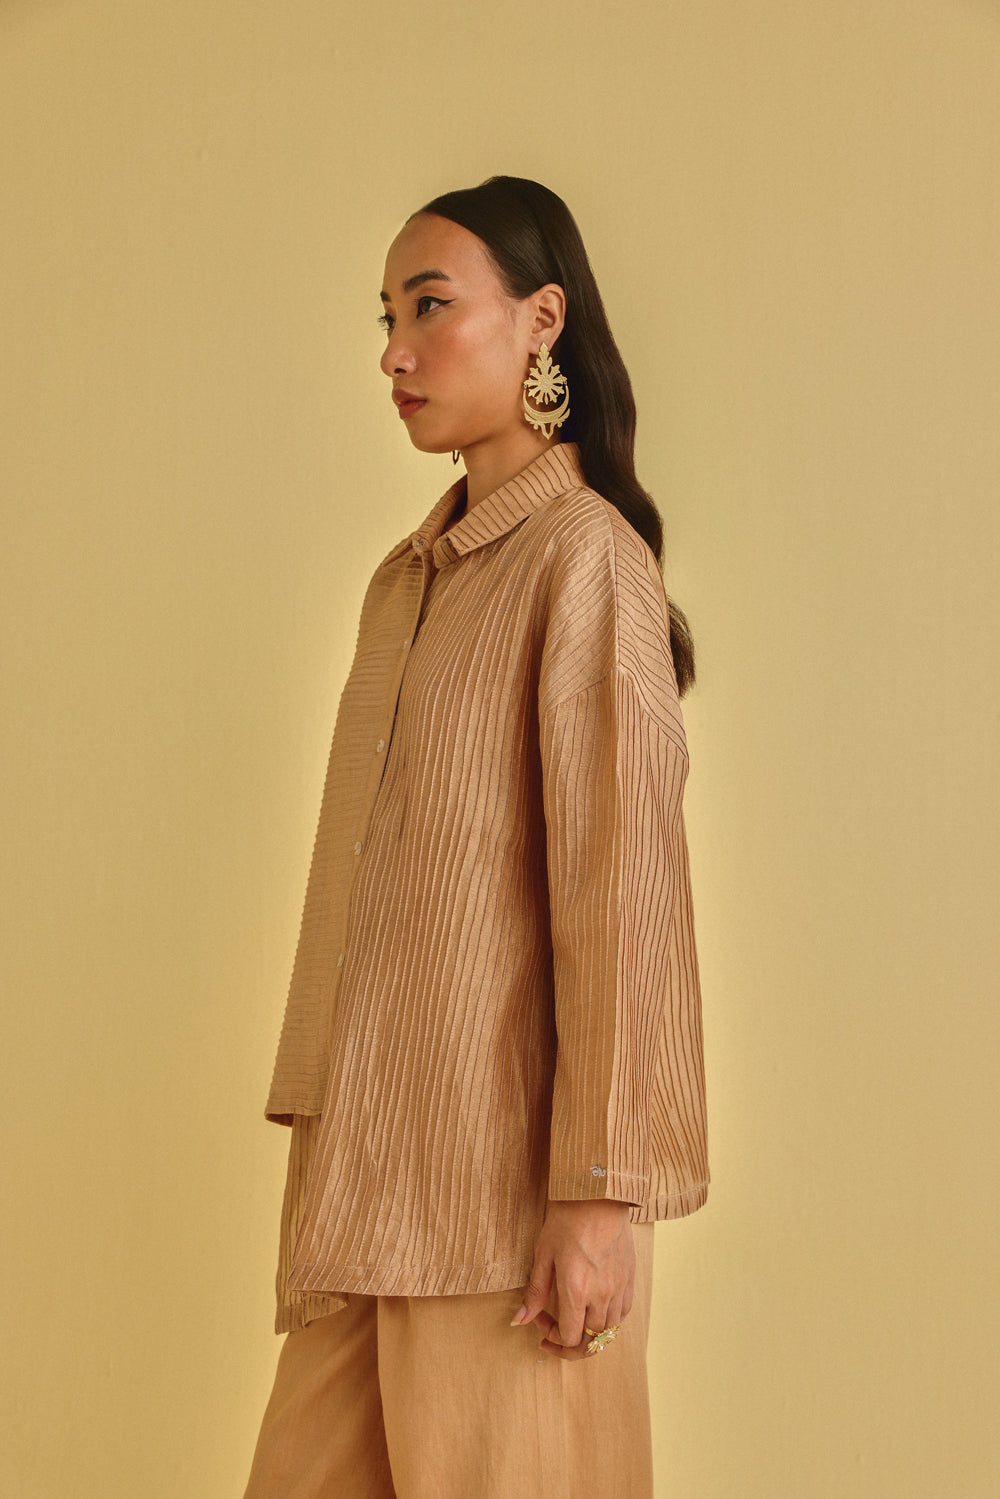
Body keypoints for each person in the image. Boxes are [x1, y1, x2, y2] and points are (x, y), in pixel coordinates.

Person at [242, 175, 709, 1499]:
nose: (395, 353)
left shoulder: (585, 560)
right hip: (364, 1189)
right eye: (386, 319)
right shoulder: (406, 582)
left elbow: (620, 897)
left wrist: (598, 1194)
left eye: (431, 308)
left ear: (542, 321)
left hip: (508, 1213)